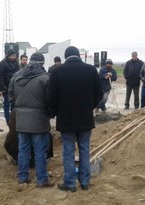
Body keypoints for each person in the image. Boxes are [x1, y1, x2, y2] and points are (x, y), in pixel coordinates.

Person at [48, 46, 103, 192]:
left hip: (66, 119)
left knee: (68, 150)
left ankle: (70, 184)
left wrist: (53, 112)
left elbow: (51, 96)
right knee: (84, 149)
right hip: (85, 118)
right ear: (79, 55)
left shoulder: (57, 71)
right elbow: (99, 93)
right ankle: (85, 182)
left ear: (66, 57)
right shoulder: (90, 70)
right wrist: (89, 106)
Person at [8, 52, 54, 187]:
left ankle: (23, 178)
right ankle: (42, 180)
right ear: (42, 63)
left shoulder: (16, 77)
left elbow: (10, 96)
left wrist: (19, 105)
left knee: (23, 150)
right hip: (39, 119)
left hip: (21, 118)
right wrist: (50, 113)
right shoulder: (45, 78)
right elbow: (50, 99)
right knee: (40, 151)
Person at [0, 49, 19, 124]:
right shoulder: (2, 63)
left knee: (14, 103)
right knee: (6, 104)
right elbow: (0, 76)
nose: (14, 57)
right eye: (13, 56)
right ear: (9, 56)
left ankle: (14, 119)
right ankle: (8, 119)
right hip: (6, 87)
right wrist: (2, 87)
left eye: (15, 56)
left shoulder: (16, 63)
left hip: (15, 86)